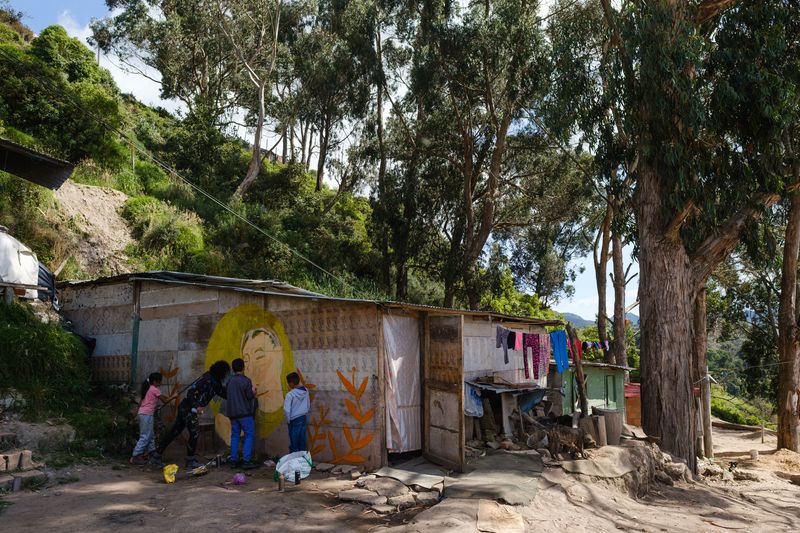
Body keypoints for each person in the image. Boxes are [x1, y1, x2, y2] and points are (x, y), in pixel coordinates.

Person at [152, 360, 230, 469]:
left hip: (188, 409)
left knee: (175, 431)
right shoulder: (206, 380)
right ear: (220, 372)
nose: (226, 376)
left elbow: (223, 392)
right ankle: (190, 460)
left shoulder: (215, 382)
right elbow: (191, 393)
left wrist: (236, 394)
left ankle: (157, 455)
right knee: (194, 433)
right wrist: (196, 406)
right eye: (226, 373)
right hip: (187, 409)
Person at [130, 372, 173, 465]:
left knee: (151, 435)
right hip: (146, 414)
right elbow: (164, 400)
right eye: (160, 381)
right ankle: (135, 456)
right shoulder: (154, 389)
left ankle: (152, 452)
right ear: (155, 381)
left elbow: (142, 401)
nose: (161, 383)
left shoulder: (148, 388)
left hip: (145, 414)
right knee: (145, 436)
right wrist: (173, 396)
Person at [227, 358, 258, 469]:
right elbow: (249, 396)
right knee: (249, 435)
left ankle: (234, 460)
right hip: (244, 413)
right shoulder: (246, 381)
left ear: (233, 368)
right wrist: (254, 392)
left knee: (235, 436)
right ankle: (246, 461)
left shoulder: (230, 381)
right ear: (243, 368)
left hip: (233, 414)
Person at [283, 372, 310, 453]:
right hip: (303, 417)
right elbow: (308, 404)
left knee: (294, 443)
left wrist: (288, 420)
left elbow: (286, 410)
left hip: (293, 420)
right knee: (302, 441)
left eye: (288, 383)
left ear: (291, 383)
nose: (288, 385)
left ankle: (294, 462)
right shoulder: (306, 391)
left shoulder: (290, 395)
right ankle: (303, 461)